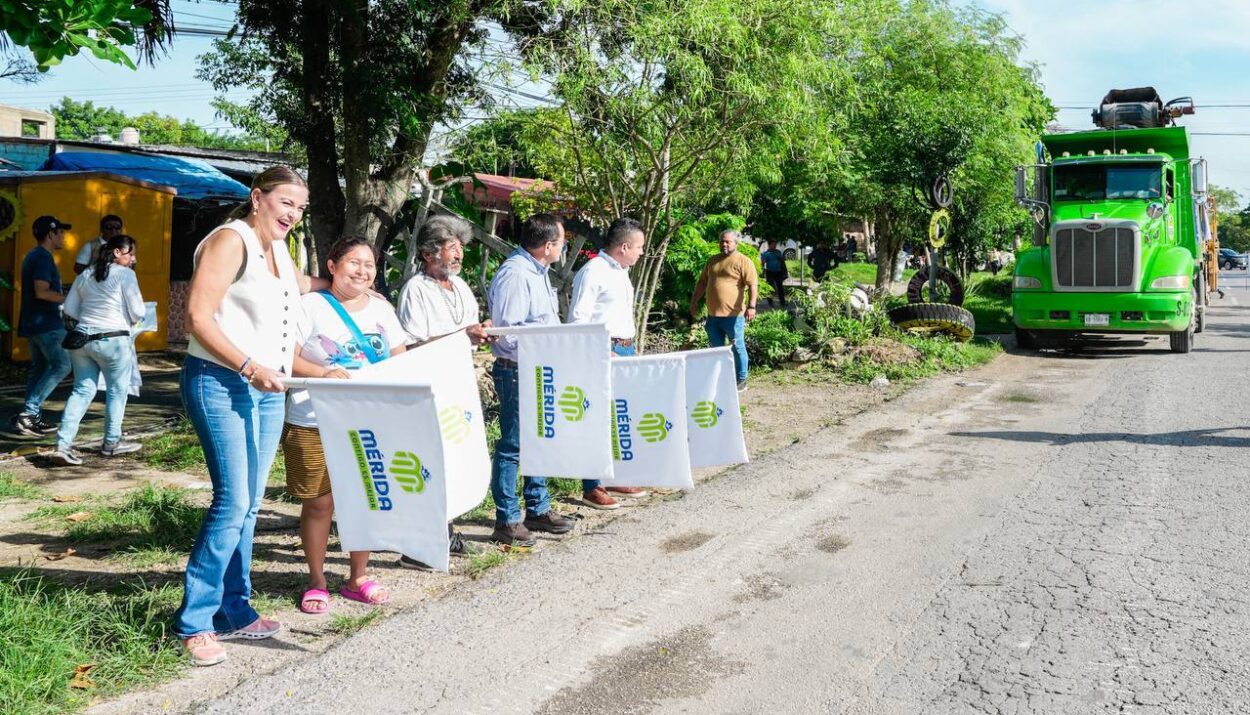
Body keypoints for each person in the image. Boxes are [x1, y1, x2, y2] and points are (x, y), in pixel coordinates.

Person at [174, 166, 322, 668]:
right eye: (285, 203)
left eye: (300, 208)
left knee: (251, 505)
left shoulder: (280, 250)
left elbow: (301, 285)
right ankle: (195, 621)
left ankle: (234, 610)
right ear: (258, 198)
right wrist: (248, 365)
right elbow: (196, 315)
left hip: (266, 389)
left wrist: (345, 281)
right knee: (233, 501)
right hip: (222, 381)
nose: (293, 215)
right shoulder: (229, 240)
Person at [284, 237, 406, 615]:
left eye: (369, 264)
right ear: (332, 265)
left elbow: (399, 358)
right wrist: (323, 373)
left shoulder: (384, 310)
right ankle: (316, 580)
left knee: (364, 500)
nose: (363, 270)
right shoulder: (308, 306)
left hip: (369, 419)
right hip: (312, 417)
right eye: (354, 262)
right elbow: (285, 359)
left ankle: (357, 577)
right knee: (320, 503)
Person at [394, 214, 491, 568]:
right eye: (452, 248)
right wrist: (463, 336)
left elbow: (466, 328)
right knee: (430, 463)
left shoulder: (460, 286)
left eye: (461, 248)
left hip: (458, 386)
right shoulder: (416, 290)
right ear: (428, 252)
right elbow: (413, 345)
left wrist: (481, 331)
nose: (459, 255)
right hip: (429, 386)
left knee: (455, 460)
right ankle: (419, 546)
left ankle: (445, 534)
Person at [487, 213, 576, 546]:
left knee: (539, 440)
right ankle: (506, 519)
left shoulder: (537, 272)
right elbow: (507, 332)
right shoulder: (516, 274)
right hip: (517, 369)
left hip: (538, 369)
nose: (562, 248)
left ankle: (537, 508)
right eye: (562, 242)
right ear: (549, 245)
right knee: (512, 445)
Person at [568, 217, 650, 510]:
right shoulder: (593, 272)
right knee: (597, 419)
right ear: (624, 246)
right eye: (639, 247)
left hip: (625, 349)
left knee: (618, 416)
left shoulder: (621, 271)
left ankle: (613, 474)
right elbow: (579, 321)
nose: (642, 252)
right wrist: (603, 350)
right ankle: (592, 486)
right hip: (604, 351)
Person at [47, 235, 146, 466]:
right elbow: (138, 311)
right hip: (113, 340)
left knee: (81, 391)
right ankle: (111, 443)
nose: (134, 258)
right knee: (116, 391)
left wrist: (91, 319)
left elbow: (70, 308)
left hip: (82, 340)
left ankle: (62, 444)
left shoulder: (85, 274)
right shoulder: (126, 275)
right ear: (117, 253)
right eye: (130, 253)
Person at [9, 216, 73, 437]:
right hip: (47, 324)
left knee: (40, 368)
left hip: (34, 323)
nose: (64, 237)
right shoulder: (43, 258)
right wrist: (70, 299)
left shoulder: (33, 255)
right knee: (62, 365)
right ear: (50, 234)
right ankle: (29, 413)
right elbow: (42, 291)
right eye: (61, 233)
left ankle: (29, 417)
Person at [689, 230, 758, 392]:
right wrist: (694, 301)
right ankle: (721, 378)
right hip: (713, 316)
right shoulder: (713, 261)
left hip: (734, 316)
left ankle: (742, 379)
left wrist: (752, 306)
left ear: (736, 243)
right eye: (722, 241)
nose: (724, 244)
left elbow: (753, 285)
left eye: (728, 241)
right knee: (716, 349)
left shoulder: (743, 261)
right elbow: (701, 283)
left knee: (737, 347)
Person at [760, 239, 788, 306]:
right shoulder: (765, 254)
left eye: (775, 244)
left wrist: (785, 271)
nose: (775, 246)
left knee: (780, 288)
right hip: (769, 272)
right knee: (770, 288)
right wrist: (762, 272)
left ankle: (783, 302)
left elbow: (782, 262)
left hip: (778, 272)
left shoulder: (778, 252)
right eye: (773, 244)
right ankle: (770, 302)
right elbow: (762, 264)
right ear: (769, 245)